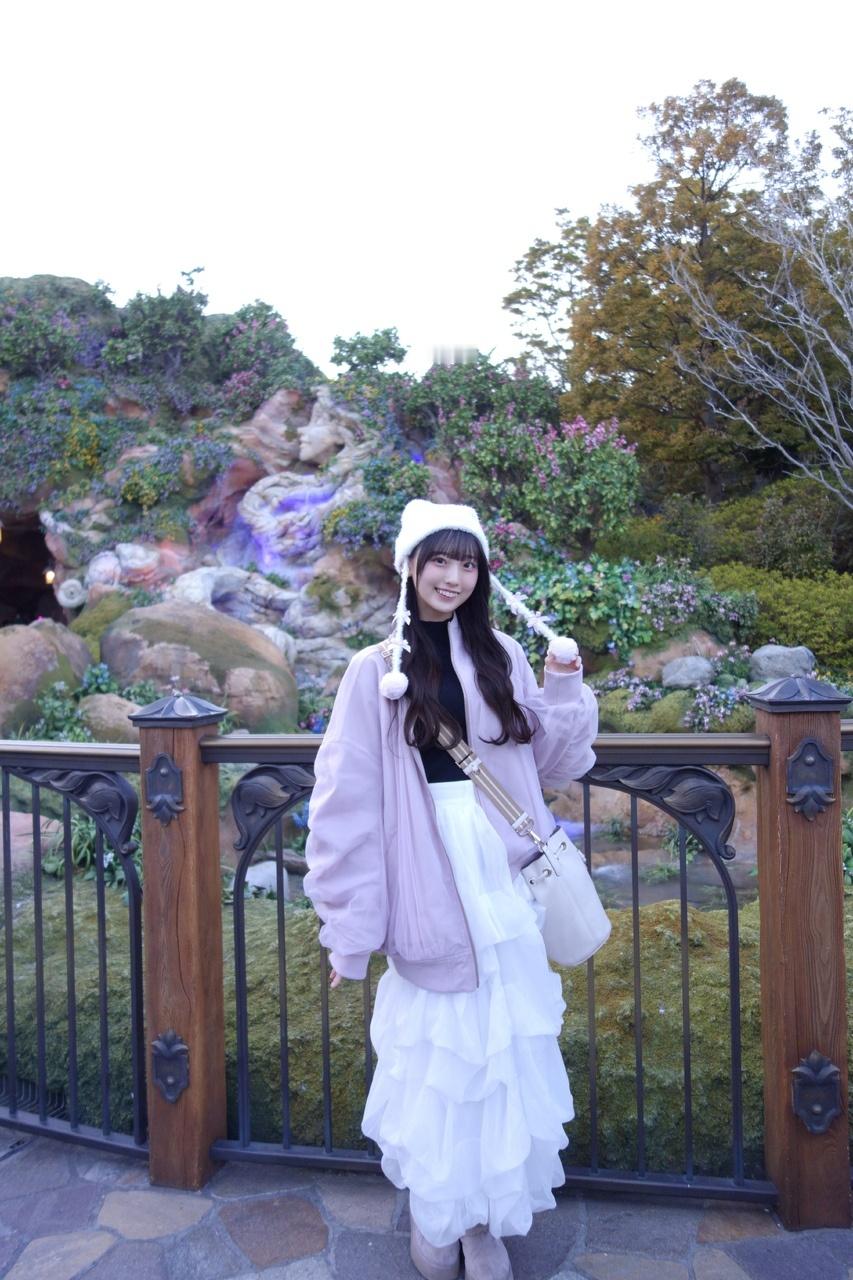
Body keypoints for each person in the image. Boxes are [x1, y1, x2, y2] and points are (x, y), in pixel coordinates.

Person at [304, 500, 598, 1280]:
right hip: (424, 867)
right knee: (439, 1053)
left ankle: (484, 1223)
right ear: (410, 566)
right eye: (438, 560)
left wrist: (563, 685)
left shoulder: (501, 654)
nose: (452, 577)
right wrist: (349, 933)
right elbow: (345, 807)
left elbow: (552, 765)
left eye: (467, 563)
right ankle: (440, 1212)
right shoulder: (374, 670)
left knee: (502, 1049)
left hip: (500, 869)